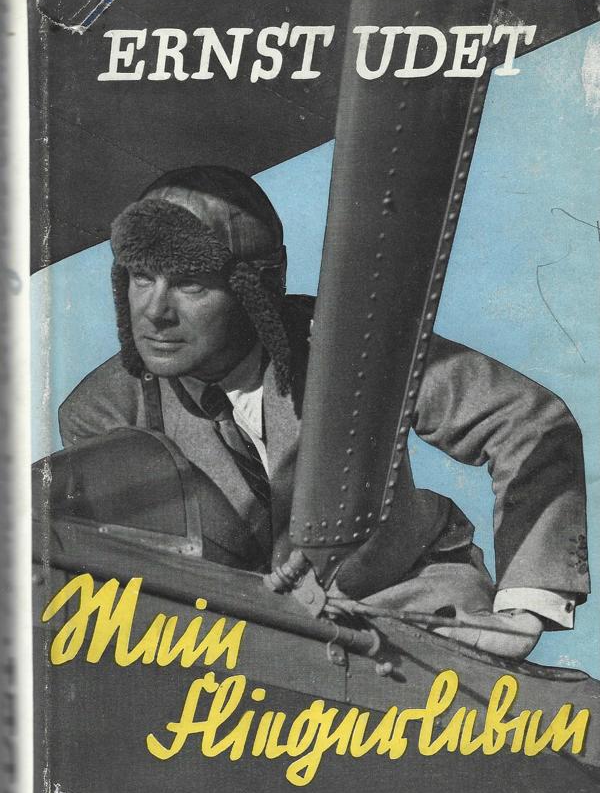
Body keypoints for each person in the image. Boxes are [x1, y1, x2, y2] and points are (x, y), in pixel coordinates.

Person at [58, 165, 590, 661]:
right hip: (251, 643)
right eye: (141, 277)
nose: (154, 311)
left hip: (417, 603)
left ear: (254, 289)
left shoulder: (349, 348)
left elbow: (528, 421)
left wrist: (527, 607)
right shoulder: (103, 414)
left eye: (190, 283)